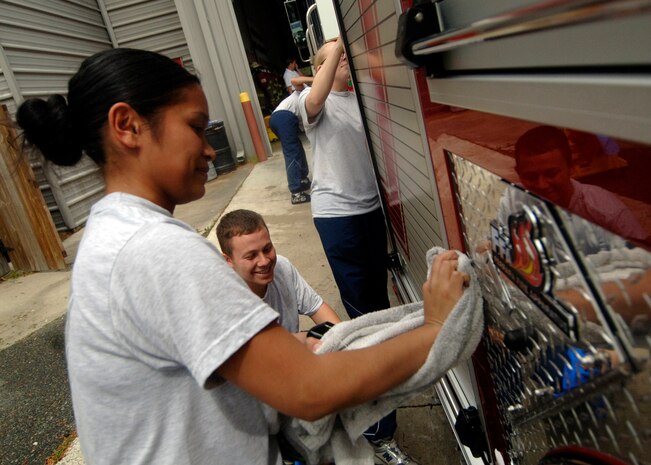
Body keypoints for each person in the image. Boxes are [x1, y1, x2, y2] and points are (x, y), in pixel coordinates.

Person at [15, 48, 469, 465]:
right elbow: (309, 390)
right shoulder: (154, 248)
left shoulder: (113, 235)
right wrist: (434, 327)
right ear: (128, 126)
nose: (210, 147)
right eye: (194, 126)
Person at [299, 38, 413, 465]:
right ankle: (379, 433)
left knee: (380, 309)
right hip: (338, 218)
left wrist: (356, 54)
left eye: (348, 55)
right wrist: (333, 56)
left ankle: (379, 407)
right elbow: (314, 94)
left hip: (371, 211)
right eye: (336, 57)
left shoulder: (363, 99)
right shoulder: (311, 103)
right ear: (322, 66)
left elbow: (390, 71)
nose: (346, 60)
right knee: (365, 321)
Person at [512, 125, 648, 246]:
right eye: (530, 177)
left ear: (570, 168)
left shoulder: (606, 212)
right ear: (518, 173)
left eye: (551, 174)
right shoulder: (512, 200)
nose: (541, 185)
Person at [216, 208, 341, 339]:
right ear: (228, 260)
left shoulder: (282, 267)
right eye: (251, 256)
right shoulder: (225, 303)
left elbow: (317, 308)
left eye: (267, 249)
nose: (264, 261)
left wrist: (345, 337)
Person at [269, 75, 314, 205]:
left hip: (284, 119)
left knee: (297, 148)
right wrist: (315, 79)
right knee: (292, 152)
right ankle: (296, 193)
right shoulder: (306, 89)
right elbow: (294, 80)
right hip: (283, 117)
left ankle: (302, 179)